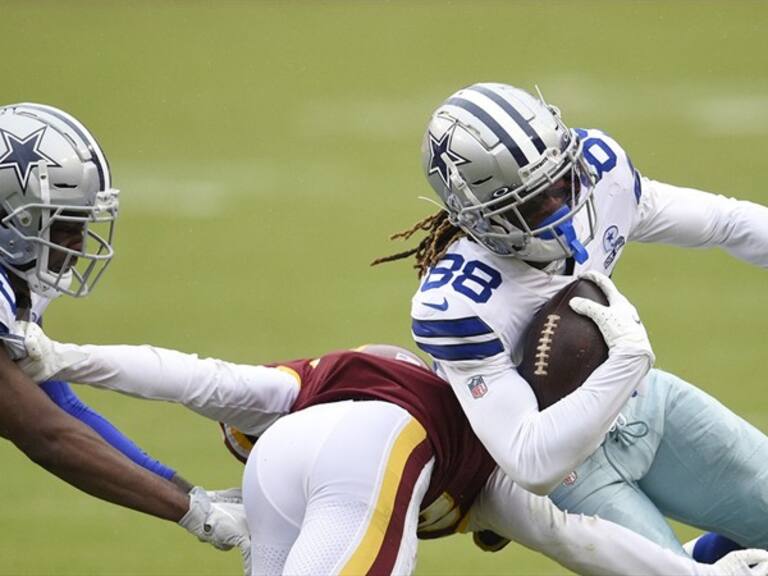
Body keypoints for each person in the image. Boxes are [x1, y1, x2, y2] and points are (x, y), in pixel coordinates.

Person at [13, 321, 768, 575]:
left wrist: (66, 356)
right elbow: (580, 541)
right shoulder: (467, 455)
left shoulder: (306, 396)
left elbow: (190, 378)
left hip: (278, 485)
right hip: (375, 458)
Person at [369, 82, 768, 557]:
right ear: (477, 218)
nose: (564, 207)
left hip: (645, 406)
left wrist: (628, 373)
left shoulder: (600, 177)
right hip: (567, 472)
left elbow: (725, 222)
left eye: (562, 182)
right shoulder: (458, 303)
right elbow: (531, 462)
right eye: (535, 204)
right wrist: (627, 359)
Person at [0, 103, 249, 556]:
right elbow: (44, 433)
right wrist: (195, 514)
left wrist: (193, 494)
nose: (76, 245)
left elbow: (60, 403)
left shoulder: (12, 280)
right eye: (64, 225)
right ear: (12, 222)